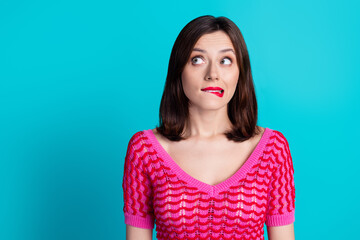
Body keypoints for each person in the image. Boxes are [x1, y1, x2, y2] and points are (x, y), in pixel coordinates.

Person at [122, 15, 295, 240]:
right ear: (178, 70)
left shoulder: (273, 149)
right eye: (197, 60)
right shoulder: (144, 150)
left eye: (225, 61)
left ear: (240, 73)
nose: (213, 74)